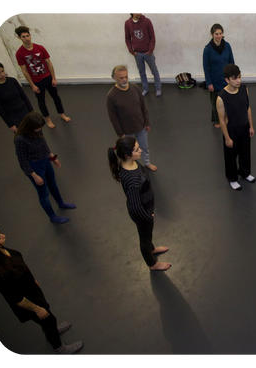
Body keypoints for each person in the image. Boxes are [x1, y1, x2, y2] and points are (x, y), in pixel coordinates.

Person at [0, 227, 83, 356]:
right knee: (49, 319)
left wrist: (32, 279)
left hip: (32, 292)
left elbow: (19, 267)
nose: (4, 235)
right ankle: (60, 350)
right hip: (28, 302)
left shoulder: (1, 252)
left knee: (47, 318)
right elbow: (16, 298)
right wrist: (36, 309)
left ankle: (51, 330)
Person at [107, 137, 171, 271]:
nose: (140, 150)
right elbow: (136, 206)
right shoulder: (132, 179)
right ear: (127, 155)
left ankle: (151, 249)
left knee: (148, 235)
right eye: (137, 149)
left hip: (146, 209)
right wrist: (148, 217)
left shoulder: (131, 163)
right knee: (145, 238)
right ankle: (152, 263)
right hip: (143, 214)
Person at [14, 112, 76, 224]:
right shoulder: (20, 139)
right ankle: (52, 216)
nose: (40, 129)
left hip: (45, 161)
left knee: (53, 185)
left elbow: (44, 144)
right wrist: (34, 176)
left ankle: (61, 203)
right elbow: (22, 161)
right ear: (30, 127)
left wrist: (52, 157)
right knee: (43, 193)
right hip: (34, 167)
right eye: (38, 127)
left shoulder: (37, 131)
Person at [14, 26, 70, 129]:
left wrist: (53, 78)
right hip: (36, 81)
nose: (27, 38)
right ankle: (48, 119)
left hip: (47, 77)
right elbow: (24, 70)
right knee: (41, 101)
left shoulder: (40, 48)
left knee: (56, 97)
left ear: (30, 35)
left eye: (27, 35)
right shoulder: (19, 53)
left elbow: (49, 63)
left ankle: (62, 114)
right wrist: (32, 85)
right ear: (19, 38)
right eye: (23, 37)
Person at [106, 64, 157, 171]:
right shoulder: (111, 96)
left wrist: (147, 123)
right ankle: (135, 167)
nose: (124, 80)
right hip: (127, 131)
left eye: (126, 77)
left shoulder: (134, 88)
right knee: (130, 152)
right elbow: (113, 118)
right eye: (121, 78)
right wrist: (121, 134)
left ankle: (147, 163)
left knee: (144, 147)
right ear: (114, 78)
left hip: (140, 127)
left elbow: (143, 106)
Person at [216, 64, 255, 191]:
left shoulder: (244, 89)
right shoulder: (221, 98)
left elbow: (247, 108)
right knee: (231, 157)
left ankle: (245, 172)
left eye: (239, 77)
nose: (238, 81)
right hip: (231, 130)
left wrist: (251, 126)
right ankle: (232, 178)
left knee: (245, 153)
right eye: (234, 78)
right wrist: (227, 137)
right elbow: (221, 120)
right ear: (227, 80)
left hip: (244, 128)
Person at [203, 24, 235, 128]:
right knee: (216, 102)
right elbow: (206, 67)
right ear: (212, 35)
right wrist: (209, 83)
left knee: (228, 101)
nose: (219, 36)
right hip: (215, 80)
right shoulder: (207, 49)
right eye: (216, 34)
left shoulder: (227, 46)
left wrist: (233, 78)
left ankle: (228, 118)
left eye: (220, 33)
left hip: (226, 80)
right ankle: (217, 120)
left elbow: (232, 62)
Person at [0, 60, 34, 133]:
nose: (2, 74)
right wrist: (10, 124)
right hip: (13, 116)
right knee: (23, 137)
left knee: (36, 132)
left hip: (25, 110)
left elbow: (24, 97)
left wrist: (31, 112)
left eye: (2, 71)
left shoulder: (12, 81)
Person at [124, 10, 161, 97]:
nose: (138, 13)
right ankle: (145, 88)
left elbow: (152, 37)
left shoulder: (147, 21)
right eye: (136, 11)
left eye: (140, 11)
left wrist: (150, 50)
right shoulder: (127, 23)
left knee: (154, 71)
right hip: (137, 53)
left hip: (148, 53)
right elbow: (127, 39)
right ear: (131, 12)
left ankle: (158, 88)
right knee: (142, 72)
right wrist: (132, 51)